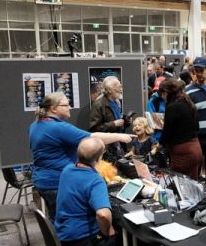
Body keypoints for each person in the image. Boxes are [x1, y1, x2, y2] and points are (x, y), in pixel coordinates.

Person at [29, 92, 131, 221]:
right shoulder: (58, 128)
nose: (69, 107)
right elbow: (92, 138)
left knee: (55, 216)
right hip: (56, 182)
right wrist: (119, 136)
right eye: (65, 105)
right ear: (54, 108)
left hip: (42, 179)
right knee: (65, 219)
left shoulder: (35, 125)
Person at [54, 138, 118, 246]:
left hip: (61, 238)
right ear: (99, 158)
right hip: (81, 243)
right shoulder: (95, 181)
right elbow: (103, 214)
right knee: (126, 237)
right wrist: (107, 232)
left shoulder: (67, 170)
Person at [159, 78, 203, 180]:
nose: (162, 97)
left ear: (168, 92)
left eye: (163, 93)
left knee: (179, 188)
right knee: (192, 188)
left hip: (182, 154)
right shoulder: (188, 102)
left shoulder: (172, 107)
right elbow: (197, 127)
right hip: (195, 149)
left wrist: (158, 145)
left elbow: (167, 132)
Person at [89, 76, 130, 158]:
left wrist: (126, 122)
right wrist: (113, 124)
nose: (121, 89)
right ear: (109, 89)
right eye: (118, 86)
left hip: (119, 145)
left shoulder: (117, 102)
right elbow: (94, 129)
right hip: (107, 149)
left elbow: (118, 124)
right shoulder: (98, 105)